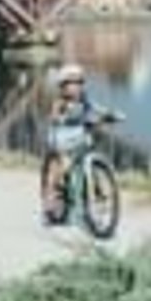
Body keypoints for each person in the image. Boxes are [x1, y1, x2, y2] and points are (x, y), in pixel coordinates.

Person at [42, 62, 118, 221]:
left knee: (90, 152)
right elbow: (54, 115)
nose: (76, 87)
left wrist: (109, 114)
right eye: (71, 83)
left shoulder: (84, 99)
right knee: (61, 165)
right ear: (62, 86)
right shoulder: (60, 101)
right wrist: (60, 117)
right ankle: (51, 195)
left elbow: (95, 108)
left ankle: (97, 189)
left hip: (80, 134)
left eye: (79, 83)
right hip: (62, 136)